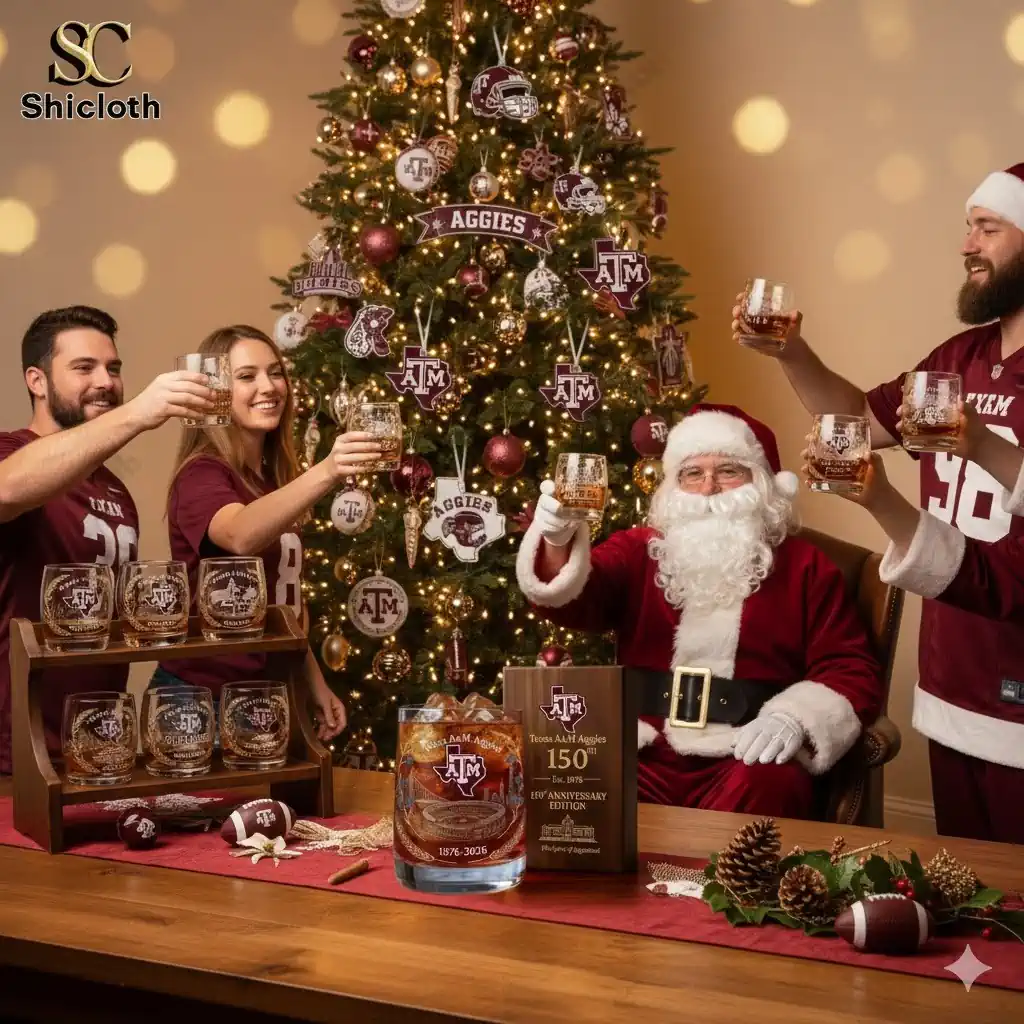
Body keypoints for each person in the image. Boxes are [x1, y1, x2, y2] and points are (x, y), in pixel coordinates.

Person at [737, 162, 1024, 842]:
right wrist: (792, 351)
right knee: (974, 903)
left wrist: (979, 443)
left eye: (988, 228)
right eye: (968, 229)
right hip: (954, 677)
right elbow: (858, 424)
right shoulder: (963, 354)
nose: (967, 246)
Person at [515, 405, 883, 817]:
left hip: (745, 751)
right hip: (644, 747)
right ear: (674, 484)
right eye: (692, 473)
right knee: (574, 785)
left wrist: (795, 718)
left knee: (771, 785)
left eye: (728, 471)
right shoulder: (639, 550)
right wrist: (557, 538)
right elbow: (573, 598)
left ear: (762, 483)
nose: (709, 488)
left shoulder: (806, 567)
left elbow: (850, 667)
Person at [0, 305, 215, 772]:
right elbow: (7, 489)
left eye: (113, 368)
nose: (106, 381)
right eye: (84, 367)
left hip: (96, 749)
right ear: (36, 381)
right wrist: (140, 412)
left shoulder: (114, 487)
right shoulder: (10, 451)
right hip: (15, 751)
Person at [155, 325, 381, 743]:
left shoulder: (272, 482)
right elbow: (240, 534)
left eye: (275, 372)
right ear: (217, 390)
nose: (268, 386)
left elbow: (282, 602)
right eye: (247, 376)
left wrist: (313, 682)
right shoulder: (202, 474)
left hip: (270, 695)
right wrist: (329, 469)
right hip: (202, 701)